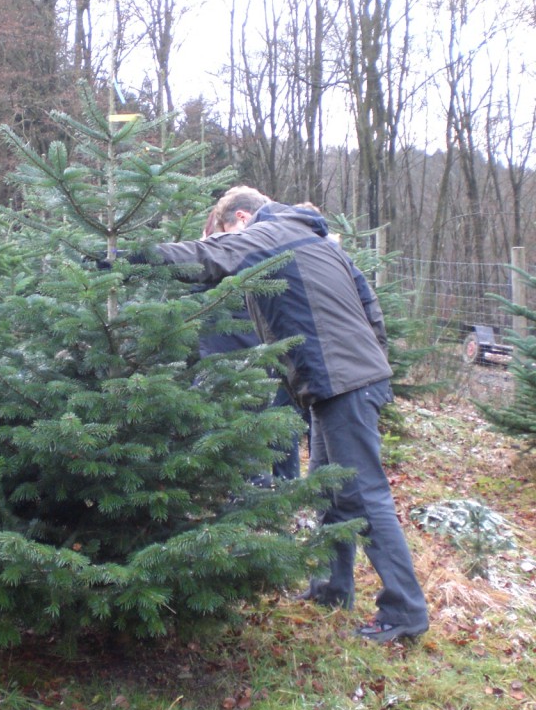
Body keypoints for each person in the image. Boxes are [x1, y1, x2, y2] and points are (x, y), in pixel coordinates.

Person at [142, 185, 429, 644]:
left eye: (225, 230)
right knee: (329, 492)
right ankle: (332, 590)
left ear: (241, 219)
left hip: (341, 381)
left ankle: (405, 611)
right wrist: (374, 368)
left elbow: (206, 257)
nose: (227, 239)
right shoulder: (316, 240)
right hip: (340, 381)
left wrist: (135, 257)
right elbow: (370, 308)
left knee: (364, 494)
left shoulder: (269, 233)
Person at [197, 206, 304, 483]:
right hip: (250, 353)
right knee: (267, 419)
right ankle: (274, 489)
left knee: (270, 420)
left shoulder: (249, 249)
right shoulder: (269, 246)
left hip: (258, 354)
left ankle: (263, 492)